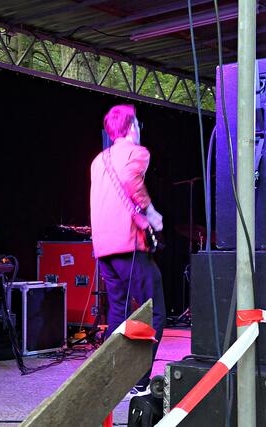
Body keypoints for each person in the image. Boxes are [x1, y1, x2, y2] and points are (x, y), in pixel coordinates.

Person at [90, 105, 166, 396]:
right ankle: (139, 381)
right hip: (128, 245)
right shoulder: (137, 152)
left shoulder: (99, 160)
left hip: (103, 248)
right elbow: (131, 180)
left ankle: (109, 377)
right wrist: (151, 212)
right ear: (132, 126)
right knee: (154, 311)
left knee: (118, 313)